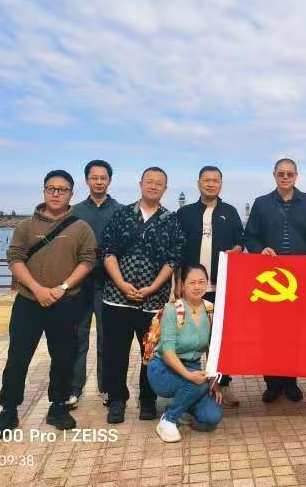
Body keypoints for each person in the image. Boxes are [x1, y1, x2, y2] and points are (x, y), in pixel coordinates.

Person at [0, 170, 96, 438]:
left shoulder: (81, 227)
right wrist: (37, 289)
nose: (56, 194)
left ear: (71, 194)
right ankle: (8, 409)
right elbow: (15, 258)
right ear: (44, 191)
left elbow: (88, 260)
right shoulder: (26, 226)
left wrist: (62, 288)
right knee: (18, 357)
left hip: (66, 302)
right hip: (28, 302)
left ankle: (58, 406)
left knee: (64, 357)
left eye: (62, 189)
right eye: (51, 188)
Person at [100, 167, 185, 424]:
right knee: (115, 352)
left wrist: (154, 287)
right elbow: (107, 250)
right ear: (140, 184)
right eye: (149, 181)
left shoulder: (171, 220)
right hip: (117, 298)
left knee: (150, 353)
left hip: (153, 300)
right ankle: (117, 399)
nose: (153, 186)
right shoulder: (121, 215)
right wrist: (121, 283)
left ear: (165, 189)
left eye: (159, 183)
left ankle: (148, 399)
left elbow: (173, 258)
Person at [244, 158, 306, 403]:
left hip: (300, 278)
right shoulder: (262, 203)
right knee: (270, 333)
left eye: (290, 174)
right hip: (271, 279)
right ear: (274, 175)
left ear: (296, 176)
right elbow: (250, 237)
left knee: (294, 333)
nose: (285, 177)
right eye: (281, 173)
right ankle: (272, 383)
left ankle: (290, 382)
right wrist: (260, 250)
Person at [175, 165, 244, 407]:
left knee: (219, 340)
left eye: (215, 180)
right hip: (191, 288)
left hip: (221, 287)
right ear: (198, 183)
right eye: (206, 180)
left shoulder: (230, 212)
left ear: (221, 184)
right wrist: (177, 283)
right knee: (190, 338)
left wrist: (237, 250)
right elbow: (177, 250)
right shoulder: (185, 213)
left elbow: (240, 242)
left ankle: (222, 385)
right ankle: (188, 387)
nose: (211, 184)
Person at [68, 160, 123, 409]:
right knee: (77, 337)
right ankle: (73, 389)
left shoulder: (121, 211)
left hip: (109, 284)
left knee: (107, 337)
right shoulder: (74, 211)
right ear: (87, 180)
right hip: (80, 284)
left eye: (103, 178)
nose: (99, 182)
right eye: (94, 177)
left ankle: (107, 387)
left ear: (110, 180)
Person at [147, 264, 222, 442]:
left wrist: (213, 380)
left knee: (212, 417)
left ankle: (183, 407)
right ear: (182, 285)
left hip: (192, 367)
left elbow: (212, 349)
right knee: (197, 383)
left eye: (201, 282)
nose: (197, 287)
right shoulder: (172, 310)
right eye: (192, 283)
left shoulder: (211, 310)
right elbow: (167, 352)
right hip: (163, 369)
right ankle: (169, 419)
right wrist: (190, 376)